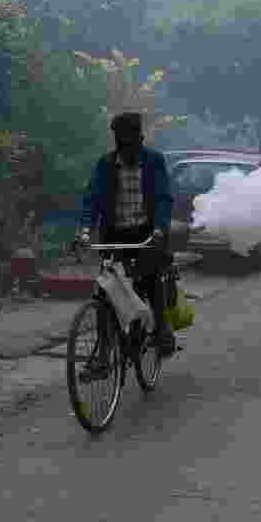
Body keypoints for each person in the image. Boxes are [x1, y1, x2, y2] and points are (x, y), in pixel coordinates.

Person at [78, 111, 177, 356]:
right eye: (125, 143)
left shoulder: (154, 161)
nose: (131, 149)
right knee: (106, 292)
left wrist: (159, 229)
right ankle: (103, 353)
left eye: (135, 142)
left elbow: (164, 199)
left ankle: (162, 329)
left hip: (147, 235)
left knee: (152, 278)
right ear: (118, 143)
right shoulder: (106, 164)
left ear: (140, 139)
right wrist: (84, 231)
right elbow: (92, 200)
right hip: (114, 237)